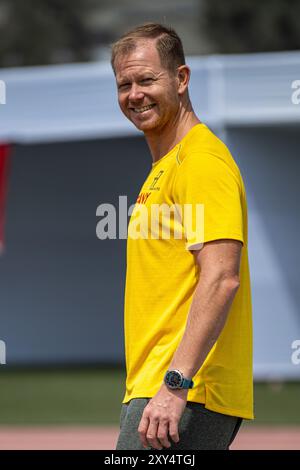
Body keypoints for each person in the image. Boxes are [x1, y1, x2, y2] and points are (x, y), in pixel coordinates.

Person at [111, 23, 253, 450]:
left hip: (185, 393)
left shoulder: (201, 161)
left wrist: (175, 384)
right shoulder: (167, 166)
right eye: (124, 84)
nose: (134, 94)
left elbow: (222, 277)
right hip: (160, 390)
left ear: (181, 78)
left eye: (147, 79)